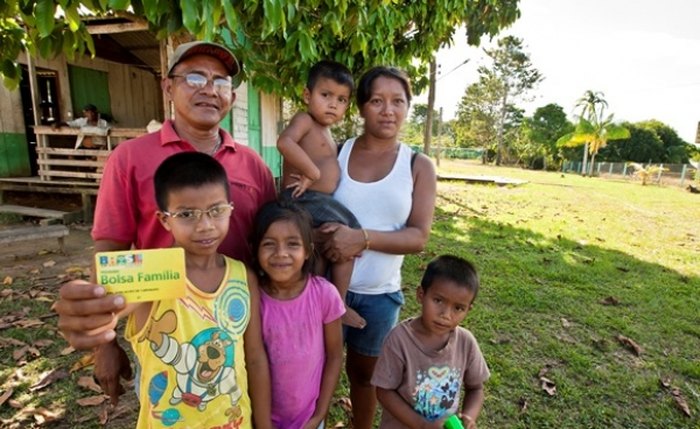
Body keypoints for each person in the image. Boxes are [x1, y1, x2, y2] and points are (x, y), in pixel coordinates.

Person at [53, 41, 276, 404]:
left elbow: (268, 244)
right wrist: (104, 344)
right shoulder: (130, 159)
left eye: (220, 81)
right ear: (167, 87)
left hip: (237, 326)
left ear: (232, 97)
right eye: (194, 77)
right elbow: (110, 249)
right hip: (163, 329)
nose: (208, 89)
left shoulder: (254, 165)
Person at [318, 66, 437, 429]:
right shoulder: (335, 153)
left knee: (365, 377)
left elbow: (418, 236)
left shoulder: (418, 165)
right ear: (361, 107)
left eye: (398, 101)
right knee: (314, 369)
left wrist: (362, 237)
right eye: (377, 101)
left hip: (379, 297)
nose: (388, 110)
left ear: (407, 108)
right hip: (323, 290)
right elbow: (307, 211)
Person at [122, 152, 272, 427]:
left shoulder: (242, 275)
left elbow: (255, 357)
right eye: (186, 214)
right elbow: (101, 308)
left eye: (216, 211)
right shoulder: (146, 275)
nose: (205, 226)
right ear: (165, 220)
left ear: (230, 209)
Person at [276, 60, 363, 328]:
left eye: (341, 99)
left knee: (323, 251)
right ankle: (339, 302)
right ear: (307, 95)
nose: (333, 104)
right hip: (303, 197)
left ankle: (322, 300)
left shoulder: (326, 130)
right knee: (351, 233)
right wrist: (312, 173)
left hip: (317, 203)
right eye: (325, 95)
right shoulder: (304, 120)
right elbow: (284, 142)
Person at [251, 200, 345, 428]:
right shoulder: (252, 299)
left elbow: (334, 356)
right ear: (256, 249)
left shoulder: (324, 295)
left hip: (308, 420)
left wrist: (319, 414)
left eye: (292, 244)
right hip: (261, 421)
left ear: (307, 252)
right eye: (269, 244)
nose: (280, 253)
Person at [371, 255, 490, 429]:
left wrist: (469, 417)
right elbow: (384, 391)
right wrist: (422, 424)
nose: (446, 315)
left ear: (468, 309)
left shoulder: (466, 342)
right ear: (421, 295)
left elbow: (476, 388)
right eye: (438, 300)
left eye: (458, 308)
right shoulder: (399, 340)